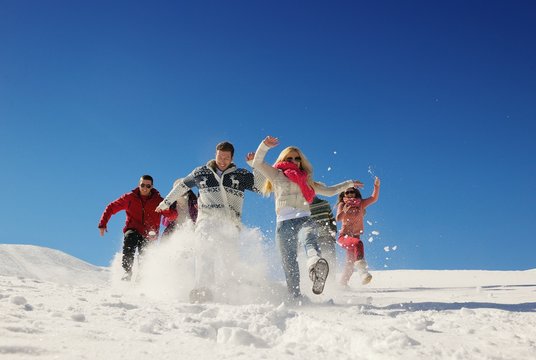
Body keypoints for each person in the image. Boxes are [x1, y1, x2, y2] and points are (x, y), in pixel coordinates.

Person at [252, 135, 363, 301]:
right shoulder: (276, 174)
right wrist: (264, 146)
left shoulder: (307, 180)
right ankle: (295, 296)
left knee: (309, 240)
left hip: (304, 218)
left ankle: (315, 265)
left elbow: (331, 191)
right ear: (283, 158)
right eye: (290, 158)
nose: (294, 161)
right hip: (283, 223)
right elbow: (257, 163)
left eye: (297, 158)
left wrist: (349, 184)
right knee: (289, 261)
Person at [156, 141, 265, 302]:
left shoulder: (241, 175)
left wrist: (255, 165)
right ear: (215, 155)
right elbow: (182, 186)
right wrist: (165, 203)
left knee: (229, 258)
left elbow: (261, 187)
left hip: (230, 223)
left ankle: (228, 292)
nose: (222, 160)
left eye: (226, 158)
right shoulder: (201, 172)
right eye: (220, 156)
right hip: (206, 219)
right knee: (204, 251)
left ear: (232, 158)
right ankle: (202, 289)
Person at [98, 175, 177, 281]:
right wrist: (103, 223)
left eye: (148, 186)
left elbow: (173, 216)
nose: (145, 188)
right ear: (139, 185)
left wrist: (165, 209)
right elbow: (111, 207)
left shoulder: (159, 201)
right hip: (133, 228)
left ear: (152, 187)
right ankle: (127, 271)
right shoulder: (130, 197)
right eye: (142, 185)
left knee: (144, 256)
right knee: (130, 239)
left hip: (150, 234)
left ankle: (141, 279)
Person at [336, 176, 380, 286]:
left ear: (356, 193)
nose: (350, 194)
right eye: (347, 192)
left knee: (350, 264)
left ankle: (342, 284)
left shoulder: (361, 204)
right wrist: (345, 210)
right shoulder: (342, 204)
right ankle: (363, 272)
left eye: (352, 192)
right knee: (358, 243)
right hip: (344, 237)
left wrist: (376, 186)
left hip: (355, 237)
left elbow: (373, 198)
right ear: (344, 194)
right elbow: (338, 219)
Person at [309, 196, 338, 285]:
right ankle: (317, 280)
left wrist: (333, 230)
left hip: (326, 237)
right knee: (316, 260)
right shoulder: (303, 207)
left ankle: (331, 283)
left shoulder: (324, 203)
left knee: (330, 260)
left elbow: (331, 219)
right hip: (313, 238)